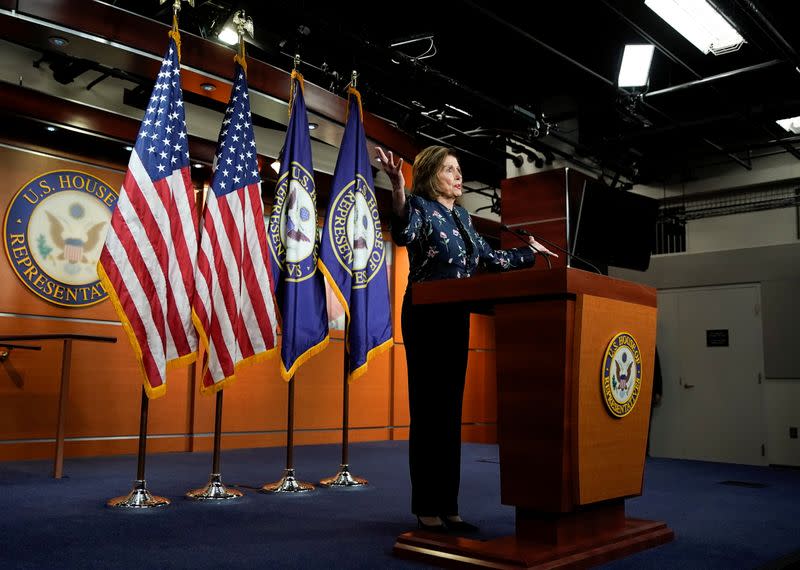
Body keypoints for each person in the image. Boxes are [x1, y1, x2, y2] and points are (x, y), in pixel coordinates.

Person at [375, 145, 557, 533]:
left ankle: (449, 507)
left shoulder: (460, 216)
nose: (459, 176)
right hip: (425, 316)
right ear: (430, 176)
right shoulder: (421, 208)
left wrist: (530, 253)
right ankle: (427, 507)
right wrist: (397, 187)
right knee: (429, 412)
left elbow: (487, 258)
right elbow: (404, 233)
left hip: (456, 314)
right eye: (450, 169)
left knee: (450, 413)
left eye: (460, 169)